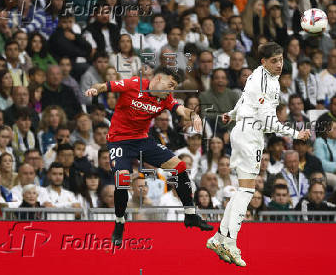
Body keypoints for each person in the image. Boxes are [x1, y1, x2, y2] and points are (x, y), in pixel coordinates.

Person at [206, 42, 310, 266]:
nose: (279, 64)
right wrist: (296, 134)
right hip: (250, 134)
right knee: (246, 190)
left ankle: (219, 237)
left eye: (281, 59)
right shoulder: (269, 83)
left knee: (243, 189)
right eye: (274, 61)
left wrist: (231, 114)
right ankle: (231, 243)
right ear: (264, 62)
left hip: (242, 130)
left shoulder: (257, 74)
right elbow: (268, 122)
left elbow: (245, 100)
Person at [84, 67, 213, 246]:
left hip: (143, 140)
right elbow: (105, 86)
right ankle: (120, 222)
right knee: (122, 179)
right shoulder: (135, 84)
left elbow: (181, 109)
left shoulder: (165, 98)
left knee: (180, 167)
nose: (171, 90)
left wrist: (194, 116)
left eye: (174, 86)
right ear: (159, 78)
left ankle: (190, 215)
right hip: (119, 141)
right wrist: (95, 89)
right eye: (170, 84)